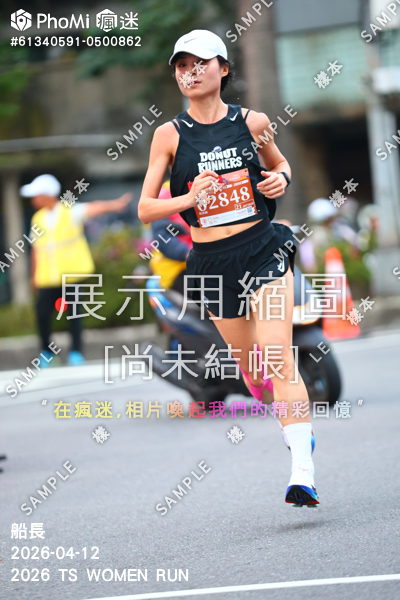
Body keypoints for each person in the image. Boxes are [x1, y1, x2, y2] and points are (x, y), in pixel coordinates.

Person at [138, 30, 318, 506]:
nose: (190, 72)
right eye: (182, 65)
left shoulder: (253, 122)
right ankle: (281, 412)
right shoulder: (168, 135)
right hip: (212, 264)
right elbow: (145, 208)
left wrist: (280, 179)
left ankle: (302, 468)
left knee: (277, 355)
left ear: (224, 68)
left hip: (262, 250)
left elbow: (281, 164)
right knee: (256, 377)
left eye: (200, 62)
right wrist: (189, 198)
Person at [21, 174, 132, 366]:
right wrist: (34, 276)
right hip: (47, 277)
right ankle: (47, 353)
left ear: (47, 194)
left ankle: (76, 352)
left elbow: (94, 208)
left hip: (72, 275)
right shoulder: (37, 218)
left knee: (75, 314)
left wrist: (115, 205)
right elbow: (36, 250)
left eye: (36, 195)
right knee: (42, 314)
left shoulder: (69, 212)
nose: (33, 200)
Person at [149, 180, 192, 294]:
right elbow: (162, 237)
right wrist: (189, 254)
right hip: (176, 270)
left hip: (207, 261)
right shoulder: (164, 195)